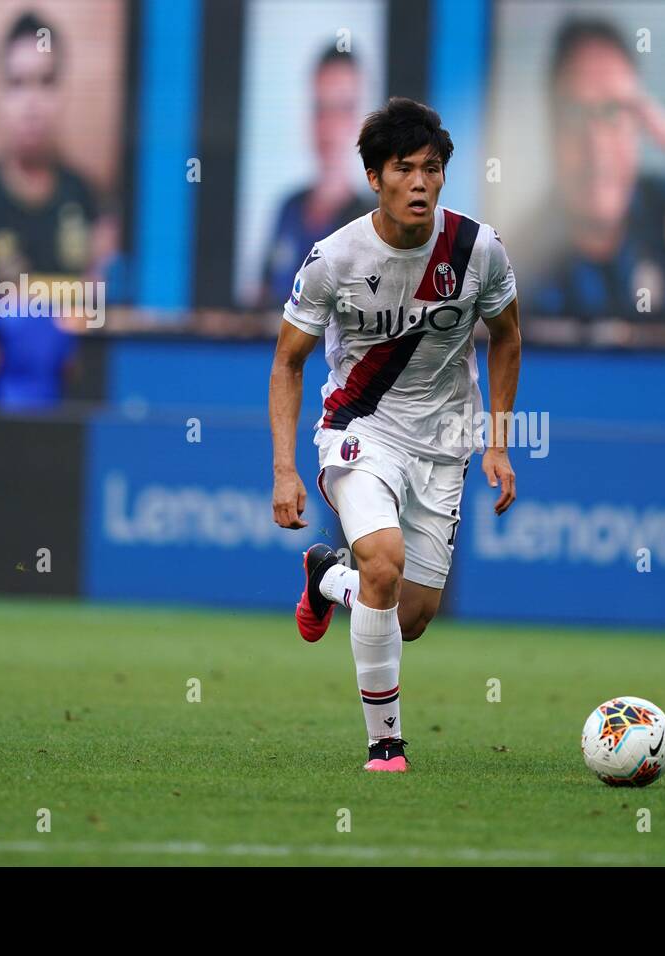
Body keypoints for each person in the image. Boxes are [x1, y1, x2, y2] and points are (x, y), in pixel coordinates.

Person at [269, 97, 521, 772]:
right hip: (360, 428)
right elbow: (288, 361)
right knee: (382, 562)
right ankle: (386, 745)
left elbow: (507, 337)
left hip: (445, 441)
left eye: (431, 168)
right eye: (403, 169)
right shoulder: (334, 258)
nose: (419, 182)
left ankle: (327, 578)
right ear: (375, 178)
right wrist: (285, 470)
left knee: (407, 614)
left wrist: (496, 441)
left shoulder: (478, 251)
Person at [523, 16, 665, 320]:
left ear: (643, 120)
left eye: (614, 111)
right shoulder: (514, 264)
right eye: (575, 114)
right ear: (550, 127)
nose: (597, 145)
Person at [0, 11, 117, 300]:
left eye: (45, 81)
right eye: (17, 83)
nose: (32, 103)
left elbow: (102, 309)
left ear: (63, 92)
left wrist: (103, 275)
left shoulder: (89, 202)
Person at [255, 45, 377, 308]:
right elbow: (260, 302)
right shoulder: (288, 208)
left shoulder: (375, 221)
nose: (329, 125)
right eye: (320, 108)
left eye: (343, 108)